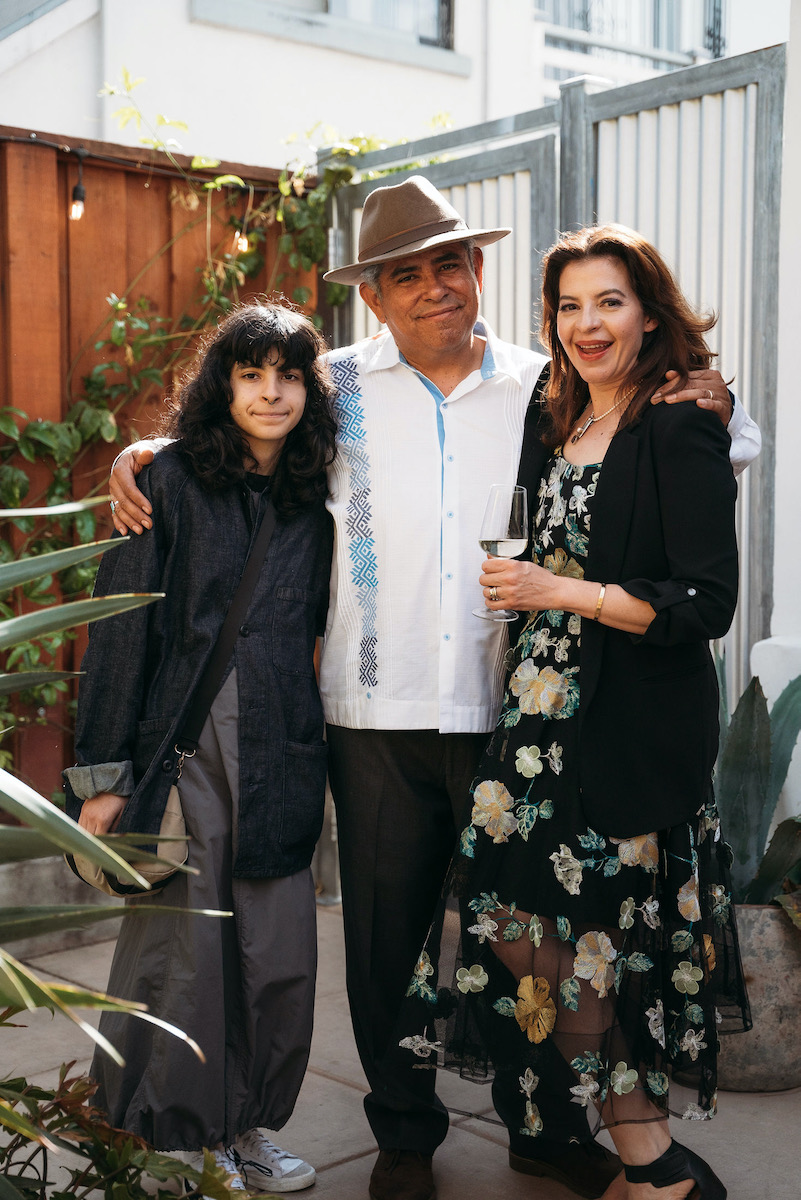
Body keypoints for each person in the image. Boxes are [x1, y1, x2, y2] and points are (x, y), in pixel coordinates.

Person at [107, 177, 760, 1200]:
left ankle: (542, 1127)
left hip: (517, 719)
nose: (433, 290)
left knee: (530, 943)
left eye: (449, 265)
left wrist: (719, 398)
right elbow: (240, 426)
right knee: (386, 938)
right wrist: (147, 452)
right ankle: (404, 1130)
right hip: (372, 716)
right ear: (373, 295)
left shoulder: (543, 384)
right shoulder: (335, 388)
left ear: (480, 270)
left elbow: (696, 442)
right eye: (405, 275)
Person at [402, 224, 751, 1200]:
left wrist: (564, 593)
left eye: (609, 302)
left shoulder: (678, 421)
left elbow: (704, 604)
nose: (588, 324)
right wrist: (516, 587)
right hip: (535, 729)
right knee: (523, 936)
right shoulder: (551, 414)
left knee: (609, 955)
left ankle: (653, 1165)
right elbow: (533, 543)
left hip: (627, 733)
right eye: (569, 306)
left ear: (648, 313)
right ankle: (622, 1146)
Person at [64, 302, 336, 1194]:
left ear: (308, 389)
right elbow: (118, 632)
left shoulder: (315, 501)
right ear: (221, 384)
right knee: (188, 957)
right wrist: (101, 781)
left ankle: (250, 1123)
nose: (270, 392)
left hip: (283, 750)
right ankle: (190, 1133)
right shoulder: (168, 482)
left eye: (288, 374)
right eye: (251, 373)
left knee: (278, 951)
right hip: (186, 750)